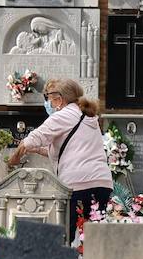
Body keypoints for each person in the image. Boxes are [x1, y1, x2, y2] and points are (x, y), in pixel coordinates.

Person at [7, 78, 113, 239]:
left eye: (48, 97)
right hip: (102, 182)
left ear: (59, 98)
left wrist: (13, 159)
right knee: (94, 238)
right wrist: (36, 150)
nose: (47, 102)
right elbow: (66, 148)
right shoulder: (87, 116)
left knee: (66, 236)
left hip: (79, 185)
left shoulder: (63, 116)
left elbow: (32, 139)